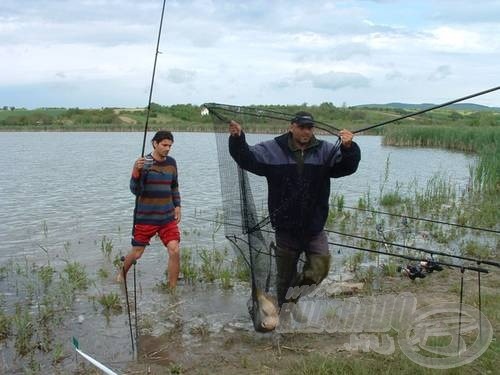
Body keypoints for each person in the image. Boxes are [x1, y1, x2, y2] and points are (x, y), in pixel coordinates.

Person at [228, 111, 360, 318]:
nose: (306, 131)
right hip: (285, 226)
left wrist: (349, 147)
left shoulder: (325, 150)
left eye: (309, 127)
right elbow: (247, 159)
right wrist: (237, 139)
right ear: (292, 127)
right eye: (301, 127)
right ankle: (283, 318)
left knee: (320, 269)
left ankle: (290, 300)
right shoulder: (272, 149)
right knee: (284, 278)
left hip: (314, 225)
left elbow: (347, 166)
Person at [117, 131, 181, 289]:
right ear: (155, 143)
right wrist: (136, 171)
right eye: (164, 145)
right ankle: (121, 274)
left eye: (170, 146)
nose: (167, 148)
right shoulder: (143, 163)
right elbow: (135, 189)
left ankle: (172, 289)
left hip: (167, 217)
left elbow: (174, 186)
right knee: (137, 252)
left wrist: (178, 206)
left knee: (174, 250)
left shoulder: (172, 163)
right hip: (146, 217)